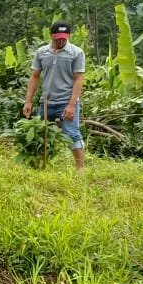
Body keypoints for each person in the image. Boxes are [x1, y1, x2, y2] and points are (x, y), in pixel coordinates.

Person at [23, 21, 86, 171]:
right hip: (46, 101)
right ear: (51, 35)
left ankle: (81, 170)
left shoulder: (76, 53)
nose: (61, 40)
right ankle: (39, 166)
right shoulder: (42, 52)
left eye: (64, 37)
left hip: (66, 101)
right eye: (58, 38)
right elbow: (35, 76)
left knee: (72, 134)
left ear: (68, 36)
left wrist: (72, 105)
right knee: (39, 133)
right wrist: (28, 101)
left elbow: (78, 79)